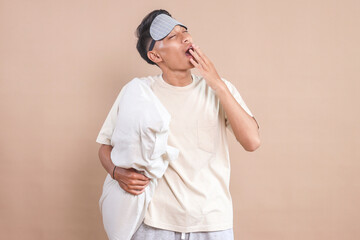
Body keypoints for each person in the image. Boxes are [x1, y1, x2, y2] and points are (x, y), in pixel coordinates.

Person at [97, 9, 260, 240]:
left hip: (212, 223)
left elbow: (252, 141)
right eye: (172, 37)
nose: (186, 38)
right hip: (153, 224)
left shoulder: (220, 89)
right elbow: (104, 147)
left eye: (185, 32)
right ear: (155, 56)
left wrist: (217, 83)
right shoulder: (138, 93)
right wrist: (116, 172)